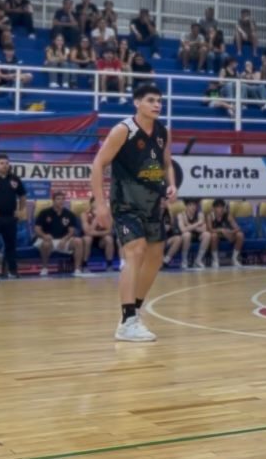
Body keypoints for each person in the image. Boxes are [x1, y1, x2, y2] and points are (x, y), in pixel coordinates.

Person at [90, 82, 178, 342]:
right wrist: (101, 204)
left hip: (153, 204)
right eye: (151, 100)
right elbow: (97, 164)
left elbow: (167, 162)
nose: (157, 104)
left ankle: (134, 313)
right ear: (137, 103)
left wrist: (171, 184)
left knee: (155, 257)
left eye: (159, 100)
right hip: (125, 203)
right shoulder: (123, 130)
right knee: (136, 251)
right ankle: (127, 320)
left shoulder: (163, 131)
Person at [33, 191, 85, 276]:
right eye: (58, 199)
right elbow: (37, 229)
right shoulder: (44, 213)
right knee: (46, 244)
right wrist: (44, 235)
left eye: (62, 199)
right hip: (47, 240)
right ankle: (45, 268)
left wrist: (64, 239)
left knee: (78, 241)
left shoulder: (69, 214)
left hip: (63, 240)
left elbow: (71, 231)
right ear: (53, 200)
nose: (61, 201)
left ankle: (77, 270)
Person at [0, 154, 27, 279]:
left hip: (10, 217)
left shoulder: (14, 179)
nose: (5, 165)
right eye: (2, 163)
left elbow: (22, 195)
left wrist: (21, 210)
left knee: (11, 245)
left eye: (6, 163)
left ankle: (12, 270)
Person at [81, 199, 118, 271]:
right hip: (90, 239)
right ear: (91, 204)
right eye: (95, 203)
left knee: (109, 239)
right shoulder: (84, 214)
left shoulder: (107, 215)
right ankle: (84, 264)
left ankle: (109, 265)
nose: (98, 205)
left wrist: (94, 232)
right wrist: (97, 218)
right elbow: (87, 232)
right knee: (88, 239)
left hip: (101, 240)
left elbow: (109, 231)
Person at [173, 199, 211, 269]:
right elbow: (183, 230)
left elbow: (204, 229)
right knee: (187, 234)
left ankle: (198, 260)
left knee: (207, 234)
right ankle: (184, 261)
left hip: (196, 236)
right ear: (186, 206)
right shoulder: (181, 214)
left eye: (194, 205)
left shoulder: (200, 214)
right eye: (190, 205)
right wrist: (197, 224)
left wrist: (188, 225)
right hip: (183, 239)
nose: (193, 207)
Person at [207, 199, 244, 268]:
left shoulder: (228, 215)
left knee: (240, 235)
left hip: (228, 236)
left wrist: (230, 232)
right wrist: (221, 230)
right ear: (213, 208)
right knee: (213, 236)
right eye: (218, 207)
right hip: (217, 236)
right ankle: (215, 260)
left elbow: (238, 228)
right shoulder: (210, 216)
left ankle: (234, 259)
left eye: (222, 207)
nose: (220, 209)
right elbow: (210, 229)